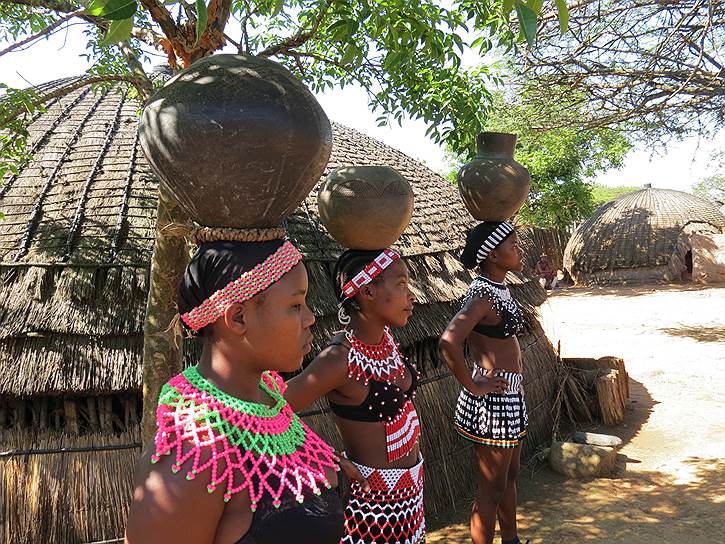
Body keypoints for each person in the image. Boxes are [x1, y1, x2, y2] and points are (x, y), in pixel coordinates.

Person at [125, 237, 349, 544]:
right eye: (295, 305)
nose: (310, 318)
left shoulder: (266, 398)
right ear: (238, 317)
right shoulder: (194, 451)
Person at [284, 248, 425, 544]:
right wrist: (324, 455)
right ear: (368, 291)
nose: (411, 295)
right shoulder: (338, 360)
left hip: (412, 497)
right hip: (370, 510)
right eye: (401, 284)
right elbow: (270, 410)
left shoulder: (387, 341)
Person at [439, 221, 529, 544]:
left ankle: (511, 540)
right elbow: (449, 341)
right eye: (513, 246)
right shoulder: (481, 296)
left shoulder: (498, 288)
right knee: (490, 488)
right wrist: (472, 385)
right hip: (494, 401)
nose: (519, 250)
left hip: (510, 395)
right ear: (492, 255)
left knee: (509, 477)